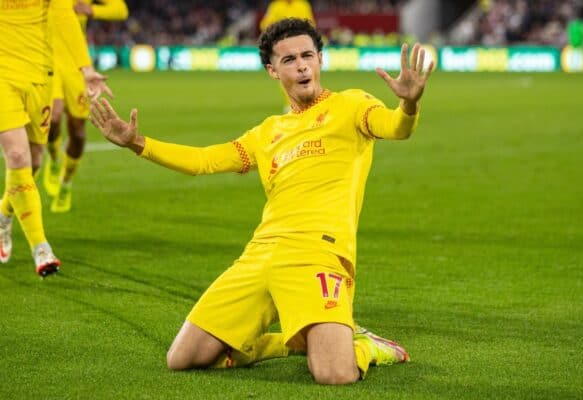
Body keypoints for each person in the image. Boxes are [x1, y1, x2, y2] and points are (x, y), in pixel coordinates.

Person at [90, 18, 433, 384]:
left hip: (317, 252)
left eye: (308, 56)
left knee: (335, 374)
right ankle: (289, 344)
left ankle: (364, 344)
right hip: (261, 254)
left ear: (319, 59)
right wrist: (136, 144)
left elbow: (396, 128)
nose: (301, 65)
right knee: (183, 358)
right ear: (272, 70)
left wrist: (408, 104)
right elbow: (204, 161)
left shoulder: (352, 106)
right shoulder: (266, 133)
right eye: (289, 60)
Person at [0, 0, 112, 276]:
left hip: (40, 76)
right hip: (2, 73)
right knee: (16, 155)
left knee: (33, 162)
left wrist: (86, 68)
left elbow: (64, 17)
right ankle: (41, 248)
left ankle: (4, 215)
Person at [44, 0, 128, 213]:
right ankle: (54, 158)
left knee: (78, 132)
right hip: (47, 60)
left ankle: (66, 183)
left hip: (76, 65)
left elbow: (121, 9)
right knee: (52, 118)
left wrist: (91, 10)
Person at [260, 0, 315, 112]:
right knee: (286, 75)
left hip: (301, 46)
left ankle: (306, 101)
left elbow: (311, 24)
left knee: (306, 73)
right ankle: (291, 103)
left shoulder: (303, 5)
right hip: (283, 48)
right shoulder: (276, 6)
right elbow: (265, 25)